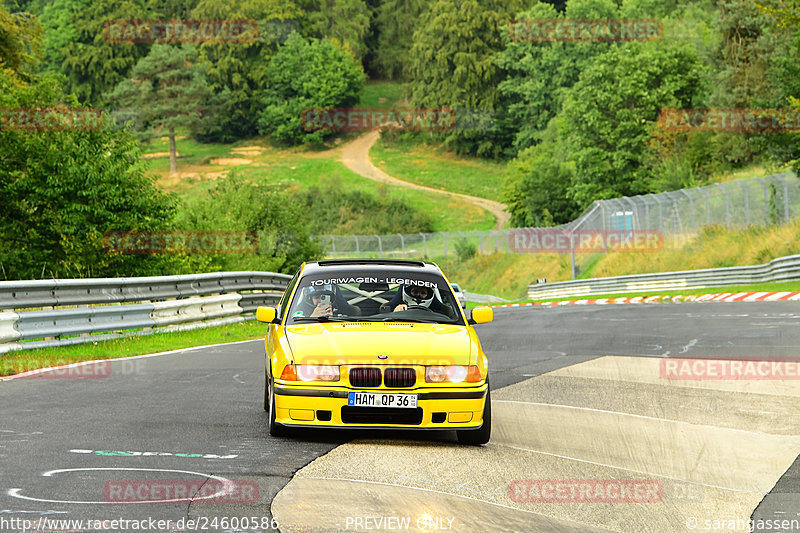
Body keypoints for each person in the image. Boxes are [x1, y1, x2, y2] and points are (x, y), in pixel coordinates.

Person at [389, 283, 455, 318]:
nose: (418, 295)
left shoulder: (443, 313)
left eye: (423, 293)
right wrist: (395, 314)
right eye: (415, 292)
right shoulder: (392, 309)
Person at [293, 284, 360, 318]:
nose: (320, 301)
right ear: (310, 299)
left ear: (332, 299)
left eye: (324, 297)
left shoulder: (340, 311)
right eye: (316, 297)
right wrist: (312, 318)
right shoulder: (301, 311)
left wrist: (333, 319)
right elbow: (294, 325)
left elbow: (357, 314)